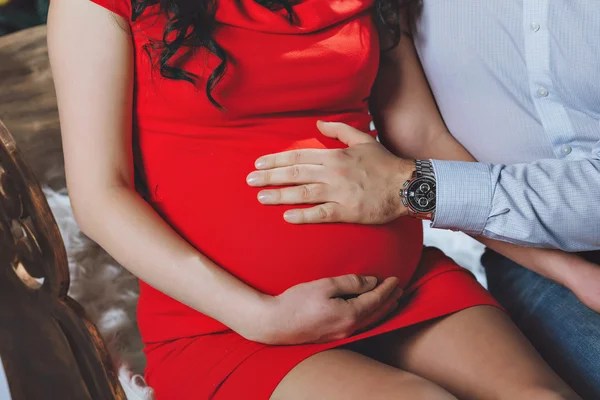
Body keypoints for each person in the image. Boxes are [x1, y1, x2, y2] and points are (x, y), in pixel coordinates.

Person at [47, 0, 582, 398]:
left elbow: (424, 142)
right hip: (228, 325)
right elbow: (100, 195)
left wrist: (569, 272)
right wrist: (258, 316)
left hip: (399, 288)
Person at [247, 2, 600, 398]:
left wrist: (573, 274)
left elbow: (417, 150)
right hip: (245, 305)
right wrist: (256, 315)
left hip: (408, 281)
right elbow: (421, 138)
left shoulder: (371, 10)